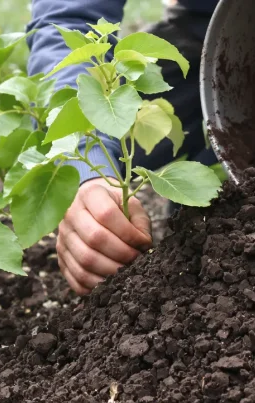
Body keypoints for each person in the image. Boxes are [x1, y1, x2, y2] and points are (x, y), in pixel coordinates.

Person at [26, 0, 220, 295]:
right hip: (206, 39)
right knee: (88, 144)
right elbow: (68, 15)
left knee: (235, 205)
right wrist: (84, 173)